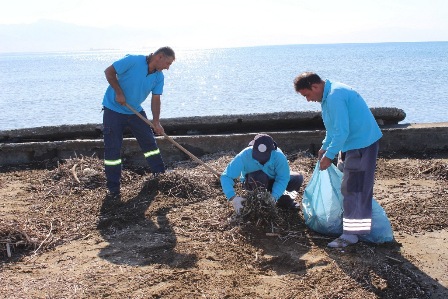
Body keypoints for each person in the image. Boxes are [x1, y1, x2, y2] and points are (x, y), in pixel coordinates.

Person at [293, 72, 382, 248]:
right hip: (352, 143)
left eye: (307, 95)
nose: (308, 100)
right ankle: (353, 228)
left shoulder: (334, 97)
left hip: (362, 144)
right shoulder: (327, 96)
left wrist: (329, 156)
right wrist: (325, 147)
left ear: (315, 86)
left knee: (354, 190)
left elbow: (342, 131)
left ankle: (352, 235)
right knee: (347, 186)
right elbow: (333, 128)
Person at [102, 47, 175, 197]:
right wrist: (119, 92)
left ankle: (159, 175)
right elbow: (109, 72)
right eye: (167, 63)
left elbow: (156, 99)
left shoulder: (158, 77)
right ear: (159, 57)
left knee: (150, 143)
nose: (168, 68)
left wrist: (156, 121)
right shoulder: (133, 61)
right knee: (113, 149)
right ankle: (113, 189)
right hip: (113, 110)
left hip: (134, 110)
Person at [220, 134, 304, 214]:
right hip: (254, 182)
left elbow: (282, 178)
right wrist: (233, 197)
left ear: (272, 151)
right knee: (260, 176)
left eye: (264, 157)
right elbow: (226, 176)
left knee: (297, 178)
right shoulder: (244, 155)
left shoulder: (278, 156)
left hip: (272, 181)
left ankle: (284, 202)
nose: (261, 160)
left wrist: (274, 196)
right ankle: (259, 203)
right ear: (253, 148)